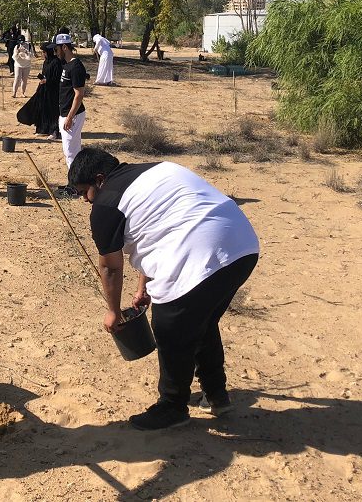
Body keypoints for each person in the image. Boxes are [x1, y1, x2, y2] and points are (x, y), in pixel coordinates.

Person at [68, 148, 260, 431]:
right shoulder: (159, 168)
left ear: (99, 180)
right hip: (242, 246)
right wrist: (143, 286)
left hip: (200, 253)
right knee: (200, 322)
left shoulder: (106, 204)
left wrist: (112, 311)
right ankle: (216, 395)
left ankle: (172, 406)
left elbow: (110, 266)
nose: (84, 200)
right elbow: (163, 227)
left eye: (84, 192)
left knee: (169, 328)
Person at [54, 33, 87, 170]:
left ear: (65, 48)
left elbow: (79, 94)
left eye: (57, 49)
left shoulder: (76, 67)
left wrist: (69, 117)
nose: (56, 53)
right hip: (66, 113)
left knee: (70, 153)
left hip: (72, 115)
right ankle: (76, 184)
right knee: (72, 151)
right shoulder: (67, 65)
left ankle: (75, 186)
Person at [36, 43, 62, 137]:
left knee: (53, 110)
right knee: (44, 109)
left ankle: (54, 131)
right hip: (45, 89)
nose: (43, 54)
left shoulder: (56, 62)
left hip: (53, 90)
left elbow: (57, 78)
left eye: (44, 52)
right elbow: (45, 74)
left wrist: (47, 80)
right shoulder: (46, 62)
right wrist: (42, 79)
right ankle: (44, 129)